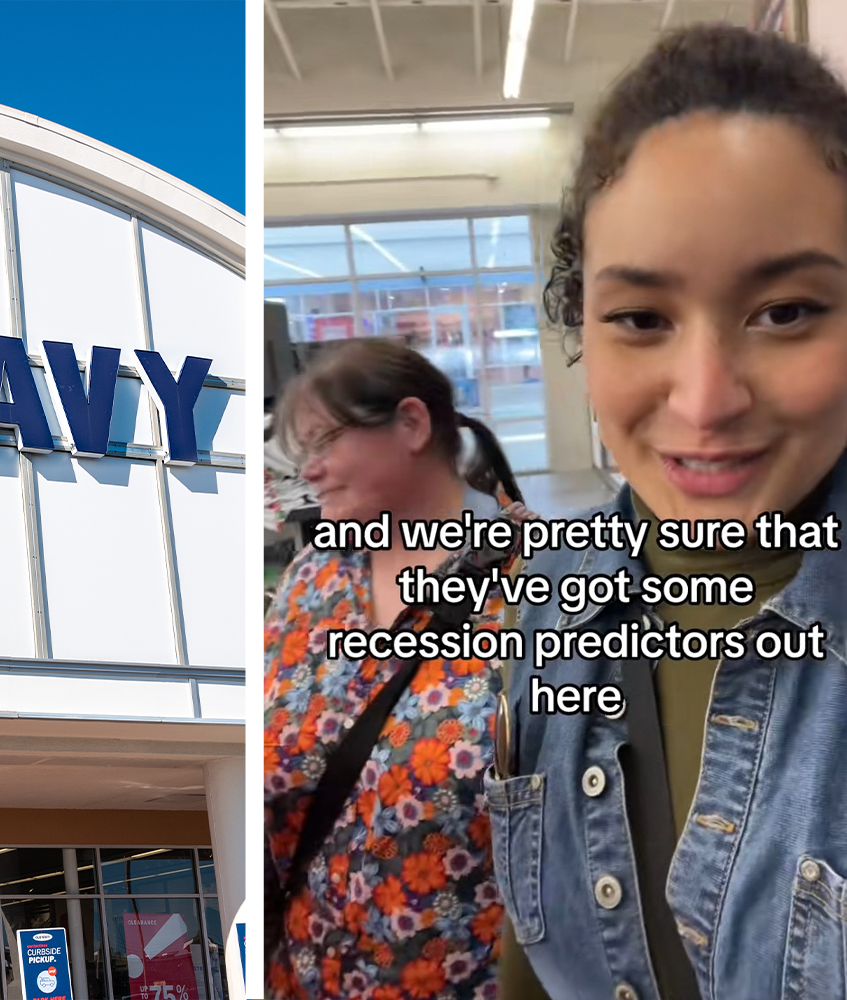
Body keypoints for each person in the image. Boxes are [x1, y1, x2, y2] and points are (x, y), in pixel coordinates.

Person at [491, 24, 847, 1000]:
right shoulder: (558, 596)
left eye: (783, 310)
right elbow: (533, 939)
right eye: (639, 318)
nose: (702, 401)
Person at [263, 337, 528, 999]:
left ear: (411, 424)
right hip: (309, 972)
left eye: (325, 444)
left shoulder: (537, 583)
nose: (311, 472)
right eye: (302, 456)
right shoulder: (310, 583)